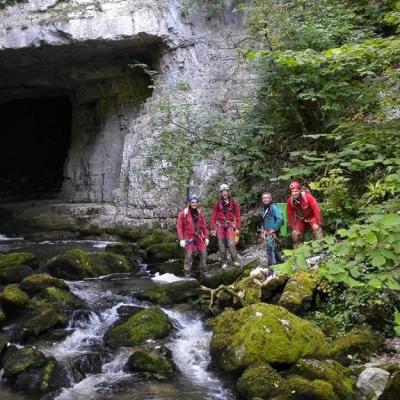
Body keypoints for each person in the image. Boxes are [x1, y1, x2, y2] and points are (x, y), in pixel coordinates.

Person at [176, 193, 209, 279]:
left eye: (196, 202)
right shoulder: (183, 213)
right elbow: (179, 227)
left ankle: (204, 271)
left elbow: (204, 226)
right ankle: (187, 274)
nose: (194, 204)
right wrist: (181, 239)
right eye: (192, 202)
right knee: (189, 255)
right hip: (188, 238)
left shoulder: (200, 213)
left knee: (204, 252)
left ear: (198, 203)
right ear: (189, 202)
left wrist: (207, 237)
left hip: (198, 237)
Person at [210, 184, 241, 269]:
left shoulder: (234, 202)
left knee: (231, 243)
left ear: (228, 192)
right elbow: (213, 217)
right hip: (220, 226)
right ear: (221, 193)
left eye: (225, 191)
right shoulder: (217, 204)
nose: (224, 193)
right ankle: (224, 262)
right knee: (221, 244)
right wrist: (212, 228)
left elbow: (237, 216)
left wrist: (238, 228)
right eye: (222, 192)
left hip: (229, 225)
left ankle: (235, 260)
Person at [286, 181, 323, 248]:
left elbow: (316, 208)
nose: (294, 193)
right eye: (293, 192)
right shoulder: (290, 201)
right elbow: (290, 215)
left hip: (311, 217)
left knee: (316, 227)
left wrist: (319, 221)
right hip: (301, 219)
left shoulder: (307, 196)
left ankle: (320, 246)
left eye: (296, 191)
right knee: (295, 233)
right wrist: (293, 227)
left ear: (300, 190)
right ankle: (296, 251)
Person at [260, 192, 284, 265]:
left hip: (273, 232)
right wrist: (263, 231)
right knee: (275, 248)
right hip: (268, 231)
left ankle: (271, 266)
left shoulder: (273, 207)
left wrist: (274, 229)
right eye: (263, 198)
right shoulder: (265, 208)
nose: (265, 199)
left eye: (267, 198)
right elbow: (264, 221)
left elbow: (280, 218)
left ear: (270, 198)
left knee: (269, 250)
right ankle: (280, 262)